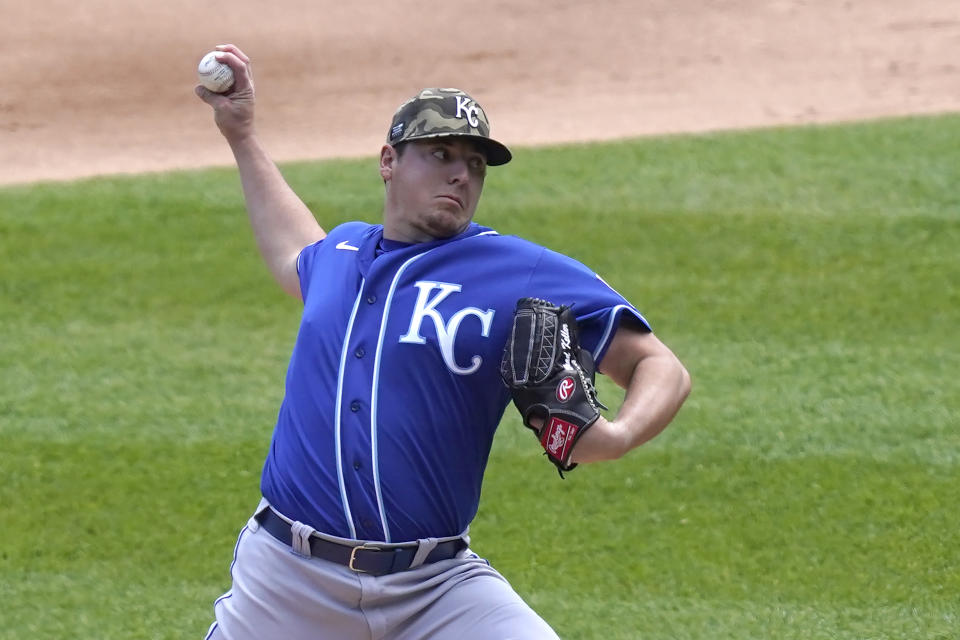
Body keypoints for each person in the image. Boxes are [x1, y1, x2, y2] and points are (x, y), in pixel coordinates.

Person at [195, 43, 691, 640]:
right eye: (440, 153)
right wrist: (242, 135)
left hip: (433, 588)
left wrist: (616, 438)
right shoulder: (343, 253)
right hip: (285, 583)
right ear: (389, 161)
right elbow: (291, 250)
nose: (462, 172)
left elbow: (659, 365)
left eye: (476, 163)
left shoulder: (518, 270)